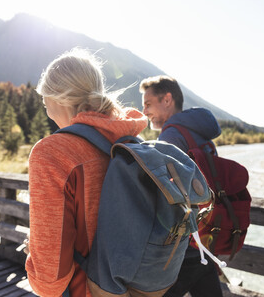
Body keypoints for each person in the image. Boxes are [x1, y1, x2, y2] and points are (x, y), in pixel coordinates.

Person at [25, 48, 147, 297]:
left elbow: (49, 283)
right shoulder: (132, 143)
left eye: (44, 100)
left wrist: (33, 256)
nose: (46, 109)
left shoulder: (52, 153)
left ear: (55, 99)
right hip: (140, 288)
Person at [140, 75, 223, 297]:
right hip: (206, 233)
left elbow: (163, 195)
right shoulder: (197, 131)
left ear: (167, 100)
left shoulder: (171, 137)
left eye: (148, 104)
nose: (145, 112)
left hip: (184, 244)